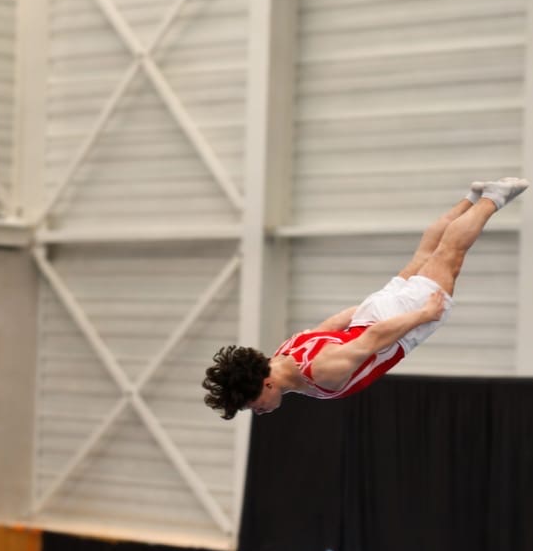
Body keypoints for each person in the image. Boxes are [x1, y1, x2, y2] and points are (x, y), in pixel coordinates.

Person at [203, 176, 529, 417]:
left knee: (449, 254)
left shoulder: (321, 371)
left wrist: (423, 314)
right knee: (425, 254)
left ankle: (492, 198)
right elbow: (333, 324)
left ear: (267, 385)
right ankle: (471, 197)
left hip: (393, 325)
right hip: (371, 314)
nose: (258, 411)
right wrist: (373, 305)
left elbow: (372, 341)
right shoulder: (281, 354)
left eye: (253, 405)